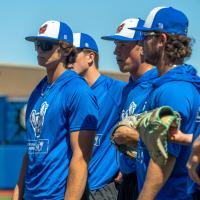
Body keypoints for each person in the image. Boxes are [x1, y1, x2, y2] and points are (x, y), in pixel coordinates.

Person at [12, 20, 98, 200]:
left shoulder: (77, 90)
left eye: (46, 45)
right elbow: (31, 151)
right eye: (37, 45)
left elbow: (81, 158)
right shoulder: (38, 90)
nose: (39, 50)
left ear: (65, 50)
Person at [130, 6, 200, 200]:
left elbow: (165, 155)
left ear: (162, 40)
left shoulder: (172, 90)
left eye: (145, 36)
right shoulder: (178, 84)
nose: (140, 43)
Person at [101, 18, 158, 200]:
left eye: (123, 45)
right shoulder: (130, 87)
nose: (116, 51)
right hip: (128, 180)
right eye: (116, 45)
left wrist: (131, 137)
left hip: (149, 180)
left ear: (142, 46)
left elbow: (169, 141)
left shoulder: (158, 85)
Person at [69, 32, 126, 200]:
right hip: (72, 186)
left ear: (90, 57)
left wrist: (127, 163)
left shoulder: (117, 90)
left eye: (72, 54)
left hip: (102, 189)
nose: (67, 60)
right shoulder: (69, 93)